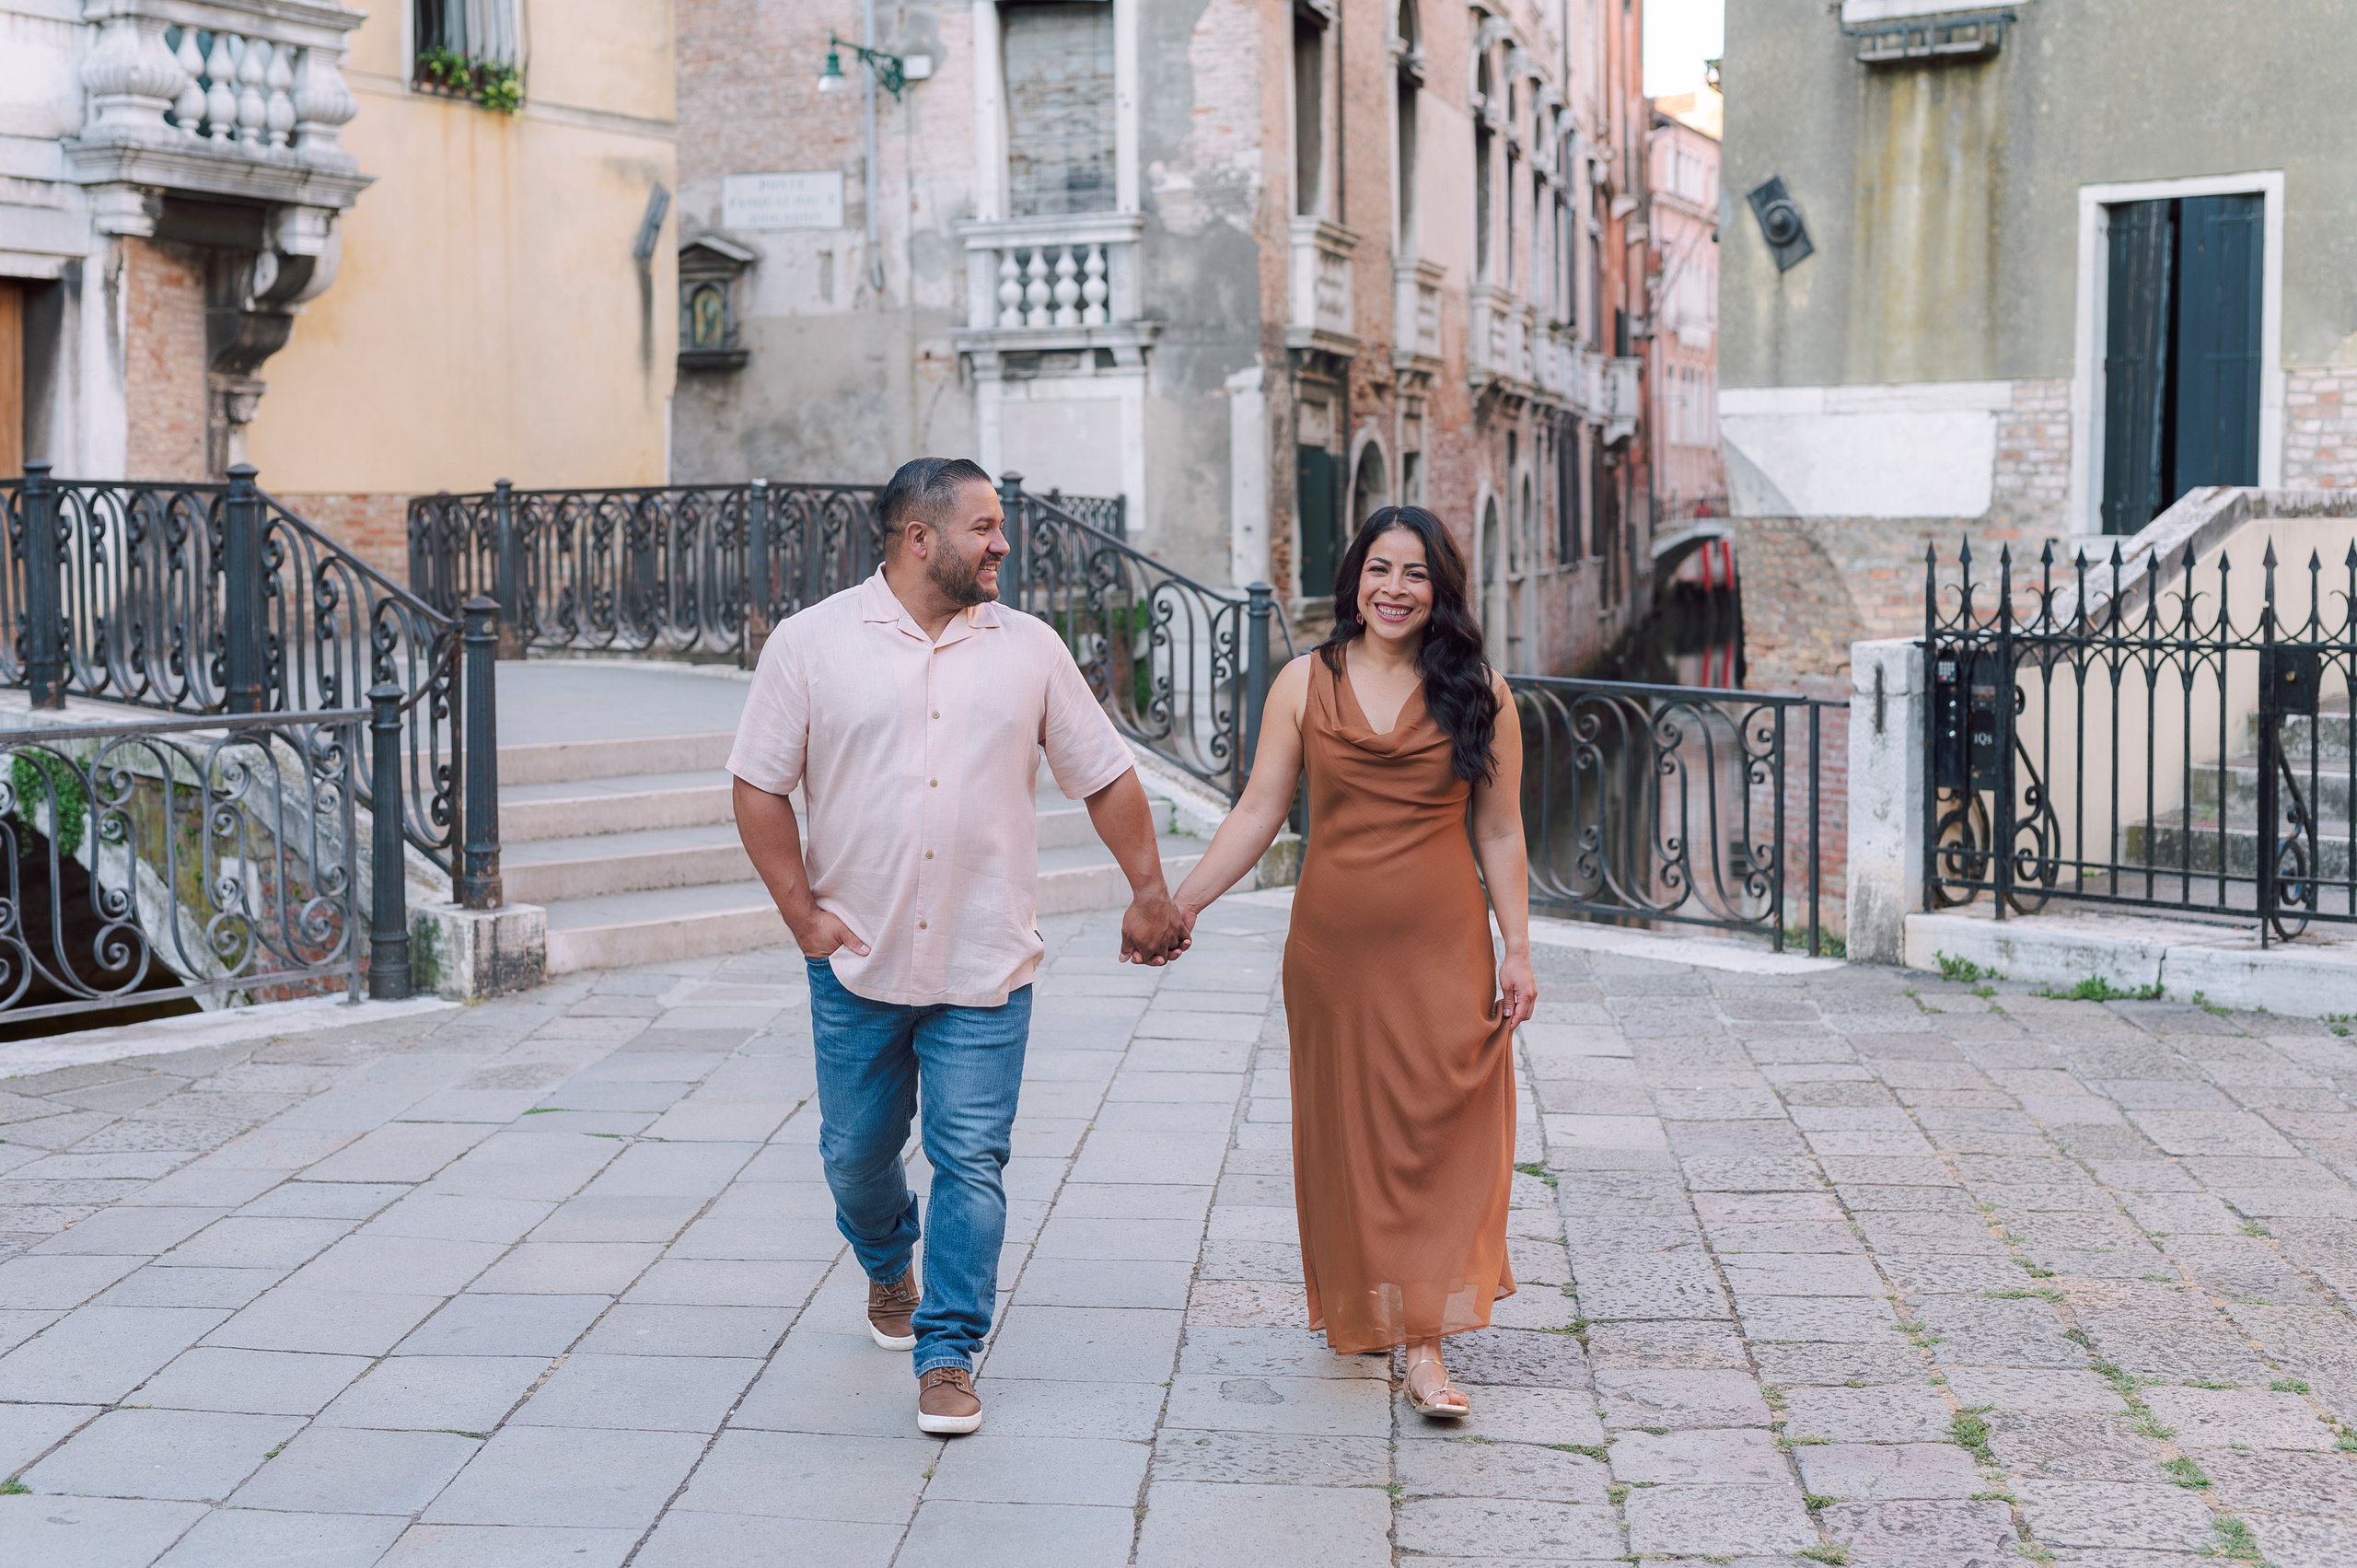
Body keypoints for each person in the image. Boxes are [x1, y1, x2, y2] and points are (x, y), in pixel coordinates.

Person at [728, 457, 1192, 1436]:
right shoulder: (812, 645)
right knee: (856, 1155)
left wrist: (1150, 890)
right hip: (857, 957)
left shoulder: (1029, 649)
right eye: (984, 526)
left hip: (986, 959)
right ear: (918, 537)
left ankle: (947, 1351)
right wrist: (801, 915)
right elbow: (758, 783)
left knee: (970, 1159)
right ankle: (887, 1263)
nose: (1003, 543)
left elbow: (1103, 775)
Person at [1169, 505, 1535, 1417]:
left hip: (1444, 949)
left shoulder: (1480, 691)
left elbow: (1499, 828)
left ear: (1438, 588)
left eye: (1415, 574)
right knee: (1355, 1137)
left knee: (1441, 1132)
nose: (1395, 589)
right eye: (1380, 569)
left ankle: (1425, 1341)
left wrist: (1517, 947)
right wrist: (1182, 902)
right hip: (1331, 955)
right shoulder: (1302, 683)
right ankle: (1383, 1311)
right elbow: (1259, 811)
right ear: (1353, 578)